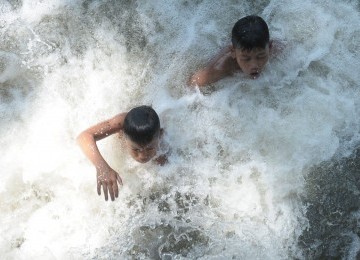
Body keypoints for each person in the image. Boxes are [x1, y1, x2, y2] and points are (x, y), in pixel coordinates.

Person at [76, 106, 167, 201]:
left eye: (149, 149)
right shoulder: (120, 123)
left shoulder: (163, 143)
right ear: (123, 135)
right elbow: (84, 137)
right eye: (136, 150)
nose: (143, 156)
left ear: (159, 135)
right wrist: (102, 167)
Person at [189, 15, 278, 87]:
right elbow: (192, 83)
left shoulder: (277, 50)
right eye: (246, 59)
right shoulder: (222, 67)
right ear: (233, 52)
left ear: (269, 47)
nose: (254, 65)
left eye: (260, 56)